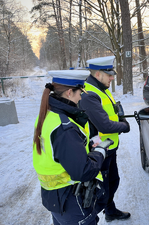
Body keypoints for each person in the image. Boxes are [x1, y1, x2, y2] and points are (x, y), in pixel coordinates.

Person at [33, 70, 108, 225]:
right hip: (72, 200)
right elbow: (84, 171)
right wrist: (100, 152)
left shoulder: (48, 115)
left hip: (56, 199)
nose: (81, 96)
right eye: (80, 92)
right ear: (69, 92)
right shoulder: (64, 127)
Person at [79, 56, 131, 222]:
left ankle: (110, 211)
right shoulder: (89, 94)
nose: (112, 77)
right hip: (99, 150)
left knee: (112, 182)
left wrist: (119, 116)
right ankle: (89, 219)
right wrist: (124, 126)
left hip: (109, 148)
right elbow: (105, 126)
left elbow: (111, 111)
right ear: (97, 74)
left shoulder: (101, 88)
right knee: (102, 190)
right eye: (109, 74)